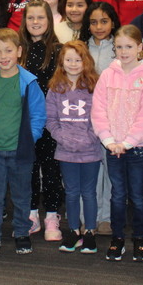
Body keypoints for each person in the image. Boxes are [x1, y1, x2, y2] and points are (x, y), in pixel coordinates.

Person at [0, 28, 47, 257]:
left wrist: (29, 138)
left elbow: (38, 115)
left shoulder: (29, 82)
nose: (3, 56)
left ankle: (22, 232)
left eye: (8, 51)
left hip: (20, 151)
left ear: (19, 51)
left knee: (22, 196)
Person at [91, 25, 143, 262]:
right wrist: (108, 139)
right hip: (113, 147)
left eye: (129, 46)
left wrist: (129, 141)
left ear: (140, 47)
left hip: (137, 148)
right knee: (117, 194)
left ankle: (139, 238)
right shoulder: (108, 74)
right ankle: (118, 238)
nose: (123, 51)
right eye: (119, 47)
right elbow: (98, 108)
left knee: (138, 195)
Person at [45, 41, 101, 255]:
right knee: (71, 192)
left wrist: (89, 138)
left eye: (78, 60)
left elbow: (100, 117)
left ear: (86, 62)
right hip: (65, 150)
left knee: (89, 192)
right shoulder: (55, 88)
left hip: (90, 150)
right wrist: (63, 138)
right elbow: (51, 120)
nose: (73, 64)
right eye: (69, 59)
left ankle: (90, 232)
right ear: (62, 62)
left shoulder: (94, 86)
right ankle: (74, 231)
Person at [19, 0, 63, 241]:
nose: (35, 22)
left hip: (52, 121)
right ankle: (32, 212)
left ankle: (53, 215)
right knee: (29, 168)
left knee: (52, 169)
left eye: (40, 17)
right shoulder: (18, 50)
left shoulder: (58, 50)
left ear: (49, 20)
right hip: (26, 121)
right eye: (30, 18)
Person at [85, 1, 118, 74]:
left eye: (104, 22)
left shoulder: (120, 47)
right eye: (93, 22)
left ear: (112, 24)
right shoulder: (82, 47)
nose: (99, 27)